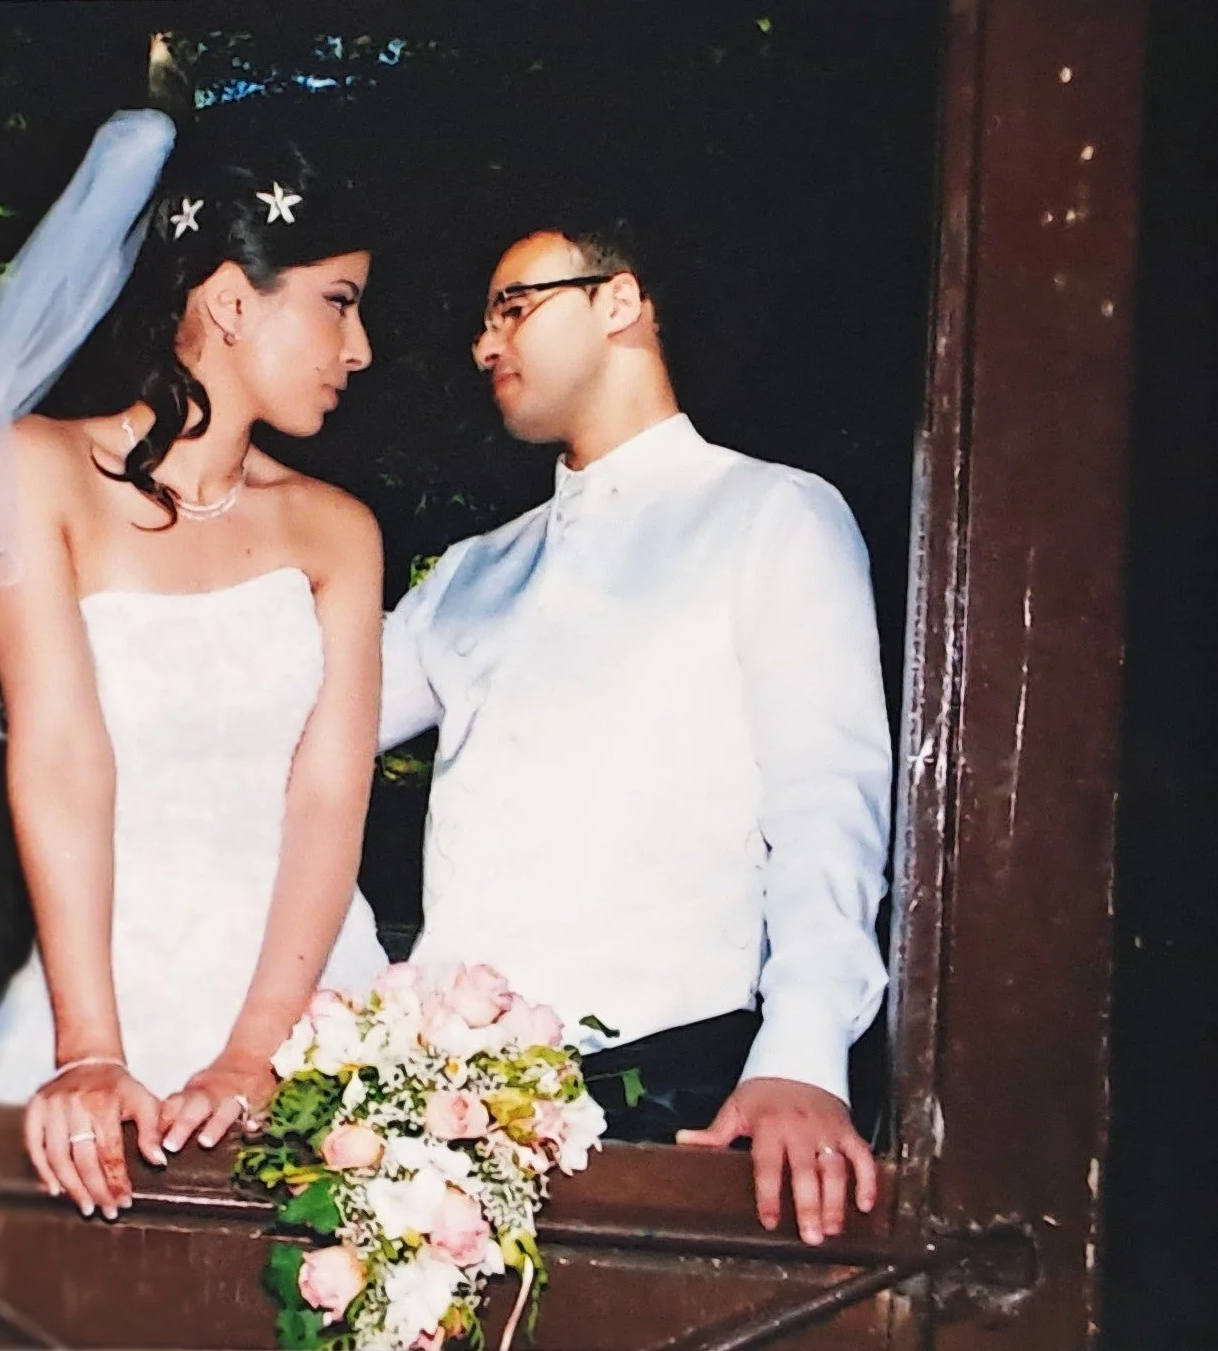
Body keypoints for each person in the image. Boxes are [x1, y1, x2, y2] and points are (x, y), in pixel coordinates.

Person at [0, 108, 390, 1225]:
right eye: (338, 304)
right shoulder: (34, 466)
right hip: (102, 982)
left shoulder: (338, 530)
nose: (361, 350)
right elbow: (59, 755)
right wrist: (89, 1047)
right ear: (232, 300)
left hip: (303, 989)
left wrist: (256, 1053)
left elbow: (329, 797)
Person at [379, 220, 893, 1248]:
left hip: (675, 1104)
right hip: (430, 1128)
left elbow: (825, 801)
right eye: (483, 322)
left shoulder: (770, 512)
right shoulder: (471, 571)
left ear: (619, 301)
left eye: (513, 306)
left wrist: (799, 1054)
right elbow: (293, 746)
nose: (485, 345)